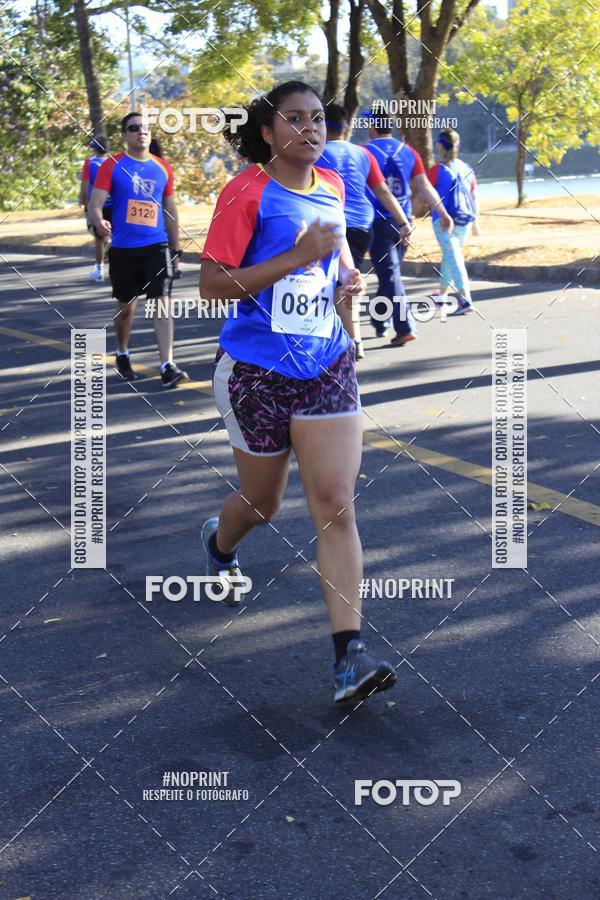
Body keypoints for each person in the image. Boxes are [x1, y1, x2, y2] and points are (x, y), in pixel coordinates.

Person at [199, 80, 397, 704]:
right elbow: (212, 285)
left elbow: (332, 266)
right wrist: (294, 257)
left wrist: (348, 290)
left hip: (326, 363)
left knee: (336, 503)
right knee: (263, 505)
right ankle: (220, 540)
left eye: (317, 119)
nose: (310, 129)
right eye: (294, 119)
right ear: (268, 131)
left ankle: (349, 658)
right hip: (257, 370)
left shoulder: (336, 187)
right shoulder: (245, 191)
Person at [88, 112, 189, 387]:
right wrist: (99, 221)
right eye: (133, 128)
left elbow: (170, 210)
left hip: (156, 246)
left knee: (162, 304)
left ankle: (167, 365)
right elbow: (95, 203)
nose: (140, 132)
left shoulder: (163, 168)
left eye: (145, 128)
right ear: (124, 135)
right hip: (123, 248)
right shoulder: (112, 165)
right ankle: (122, 351)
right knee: (126, 309)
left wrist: (176, 250)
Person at [316, 103, 413, 359]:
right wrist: (403, 222)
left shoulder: (315, 152)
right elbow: (382, 191)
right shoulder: (362, 153)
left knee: (333, 282)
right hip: (362, 223)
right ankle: (351, 338)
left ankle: (349, 340)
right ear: (347, 126)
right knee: (349, 278)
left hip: (332, 222)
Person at [364, 111, 454, 346]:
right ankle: (383, 319)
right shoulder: (408, 151)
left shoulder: (365, 152)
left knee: (389, 274)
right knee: (390, 274)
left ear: (373, 126)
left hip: (378, 220)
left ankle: (402, 326)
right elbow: (424, 186)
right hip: (405, 222)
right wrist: (442, 212)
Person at [427, 129, 479, 315]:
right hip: (464, 220)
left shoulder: (436, 170)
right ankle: (441, 295)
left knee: (454, 258)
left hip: (443, 222)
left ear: (440, 146)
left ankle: (465, 300)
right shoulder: (467, 168)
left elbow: (426, 193)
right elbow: (474, 195)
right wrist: (476, 221)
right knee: (450, 257)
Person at [80, 136, 112, 282]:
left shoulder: (89, 163)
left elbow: (86, 187)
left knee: (99, 239)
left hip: (97, 204)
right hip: (113, 204)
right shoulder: (112, 162)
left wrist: (86, 206)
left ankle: (99, 271)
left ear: (94, 148)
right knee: (114, 235)